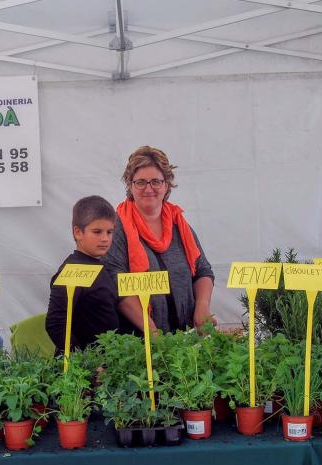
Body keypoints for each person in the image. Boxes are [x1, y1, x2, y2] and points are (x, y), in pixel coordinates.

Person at [104, 146, 215, 334]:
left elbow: (202, 269)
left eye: (156, 181)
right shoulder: (117, 227)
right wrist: (150, 329)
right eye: (140, 182)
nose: (149, 189)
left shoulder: (179, 224)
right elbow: (116, 284)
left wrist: (202, 306)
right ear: (130, 186)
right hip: (140, 338)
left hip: (185, 334)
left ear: (166, 185)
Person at [45, 196, 121, 356]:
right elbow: (55, 323)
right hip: (85, 371)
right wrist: (86, 362)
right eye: (97, 232)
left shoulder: (99, 264)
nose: (105, 239)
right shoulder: (72, 270)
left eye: (109, 232)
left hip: (106, 362)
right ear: (78, 232)